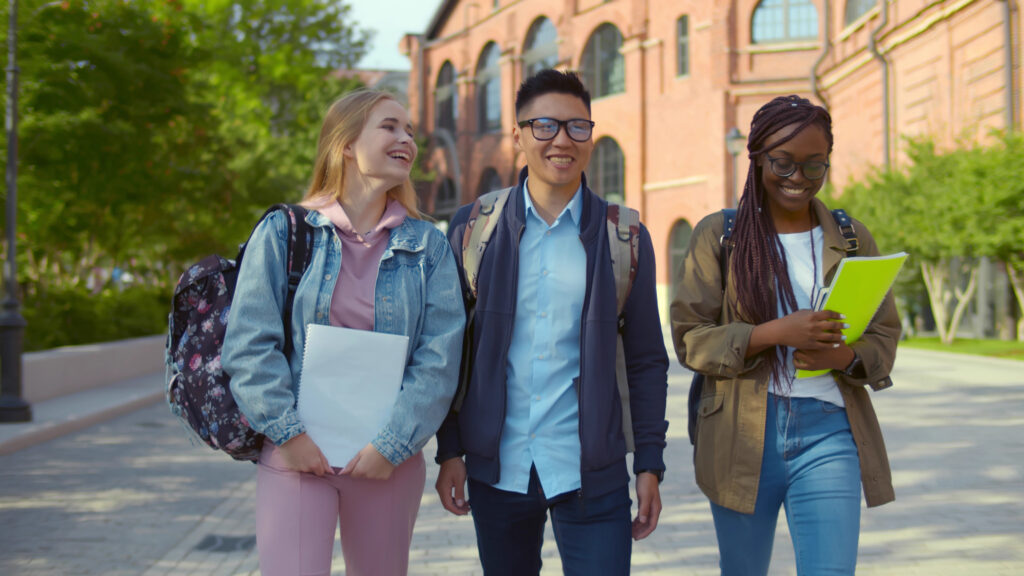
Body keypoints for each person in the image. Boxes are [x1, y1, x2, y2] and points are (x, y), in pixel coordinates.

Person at [434, 69, 669, 576]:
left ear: (590, 134)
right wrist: (449, 450)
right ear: (518, 136)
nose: (562, 139)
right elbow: (448, 349)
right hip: (498, 472)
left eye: (577, 126)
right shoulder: (475, 228)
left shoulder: (624, 236)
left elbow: (649, 359)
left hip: (593, 474)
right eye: (544, 126)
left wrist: (649, 462)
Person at [222, 89, 465, 576]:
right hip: (295, 455)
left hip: (386, 463)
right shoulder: (284, 232)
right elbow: (249, 346)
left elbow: (439, 359)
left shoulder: (429, 245)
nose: (407, 140)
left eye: (410, 132)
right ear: (347, 143)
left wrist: (392, 446)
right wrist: (288, 436)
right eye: (390, 127)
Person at [670, 95, 901, 575]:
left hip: (829, 430)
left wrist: (842, 356)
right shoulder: (721, 236)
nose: (799, 178)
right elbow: (690, 338)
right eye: (784, 163)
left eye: (816, 166)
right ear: (756, 157)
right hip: (740, 432)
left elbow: (883, 335)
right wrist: (772, 333)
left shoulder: (852, 237)